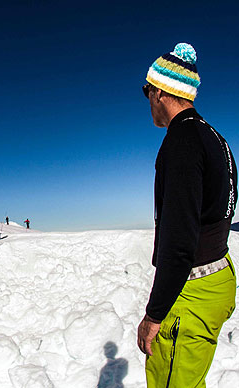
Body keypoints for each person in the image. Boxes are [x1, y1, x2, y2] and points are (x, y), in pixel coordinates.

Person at [137, 43, 237, 388]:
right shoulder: (217, 139)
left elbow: (178, 240)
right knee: (190, 378)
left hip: (191, 291)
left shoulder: (180, 142)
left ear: (160, 91)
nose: (146, 98)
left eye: (146, 90)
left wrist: (154, 315)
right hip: (219, 278)